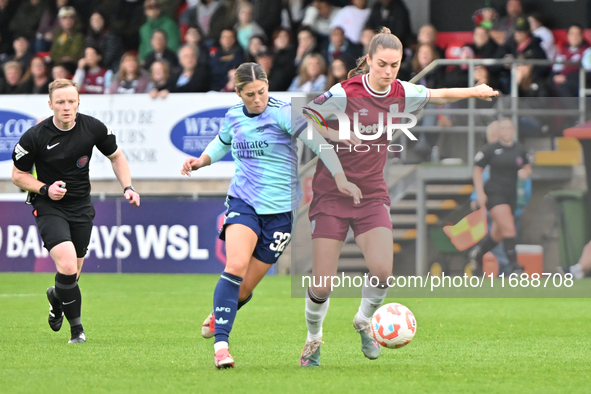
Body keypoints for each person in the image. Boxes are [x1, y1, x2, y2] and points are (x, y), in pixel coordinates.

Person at [298, 27, 498, 367]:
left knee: (382, 271)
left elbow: (440, 94)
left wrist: (474, 90)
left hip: (372, 194)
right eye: (382, 64)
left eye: (395, 64)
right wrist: (336, 134)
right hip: (332, 193)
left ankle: (363, 320)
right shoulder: (344, 91)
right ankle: (313, 339)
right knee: (323, 284)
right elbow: (308, 118)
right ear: (369, 62)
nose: (389, 71)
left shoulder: (403, 91)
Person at [187, 62, 361, 369]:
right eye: (250, 94)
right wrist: (202, 160)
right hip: (244, 202)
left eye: (262, 91)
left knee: (244, 289)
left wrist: (340, 177)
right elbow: (222, 141)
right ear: (238, 92)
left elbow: (319, 144)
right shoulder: (233, 117)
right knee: (236, 264)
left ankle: (220, 310)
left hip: (280, 213)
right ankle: (222, 347)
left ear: (268, 86)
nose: (257, 99)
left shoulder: (284, 113)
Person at [11, 78, 140, 344]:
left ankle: (56, 298)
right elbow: (17, 175)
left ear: (79, 101)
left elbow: (116, 156)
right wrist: (45, 189)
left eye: (71, 101)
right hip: (48, 206)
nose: (66, 107)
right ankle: (77, 332)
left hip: (81, 206)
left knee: (72, 276)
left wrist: (128, 187)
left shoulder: (93, 128)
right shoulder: (35, 136)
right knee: (68, 266)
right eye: (60, 102)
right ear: (51, 105)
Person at [469, 118, 531, 276]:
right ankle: (515, 267)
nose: (505, 131)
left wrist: (525, 172)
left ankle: (477, 254)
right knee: (509, 228)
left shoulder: (519, 149)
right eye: (502, 129)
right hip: (495, 193)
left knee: (498, 234)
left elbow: (527, 167)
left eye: (508, 128)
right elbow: (477, 170)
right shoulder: (491, 149)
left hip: (511, 195)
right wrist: (479, 193)